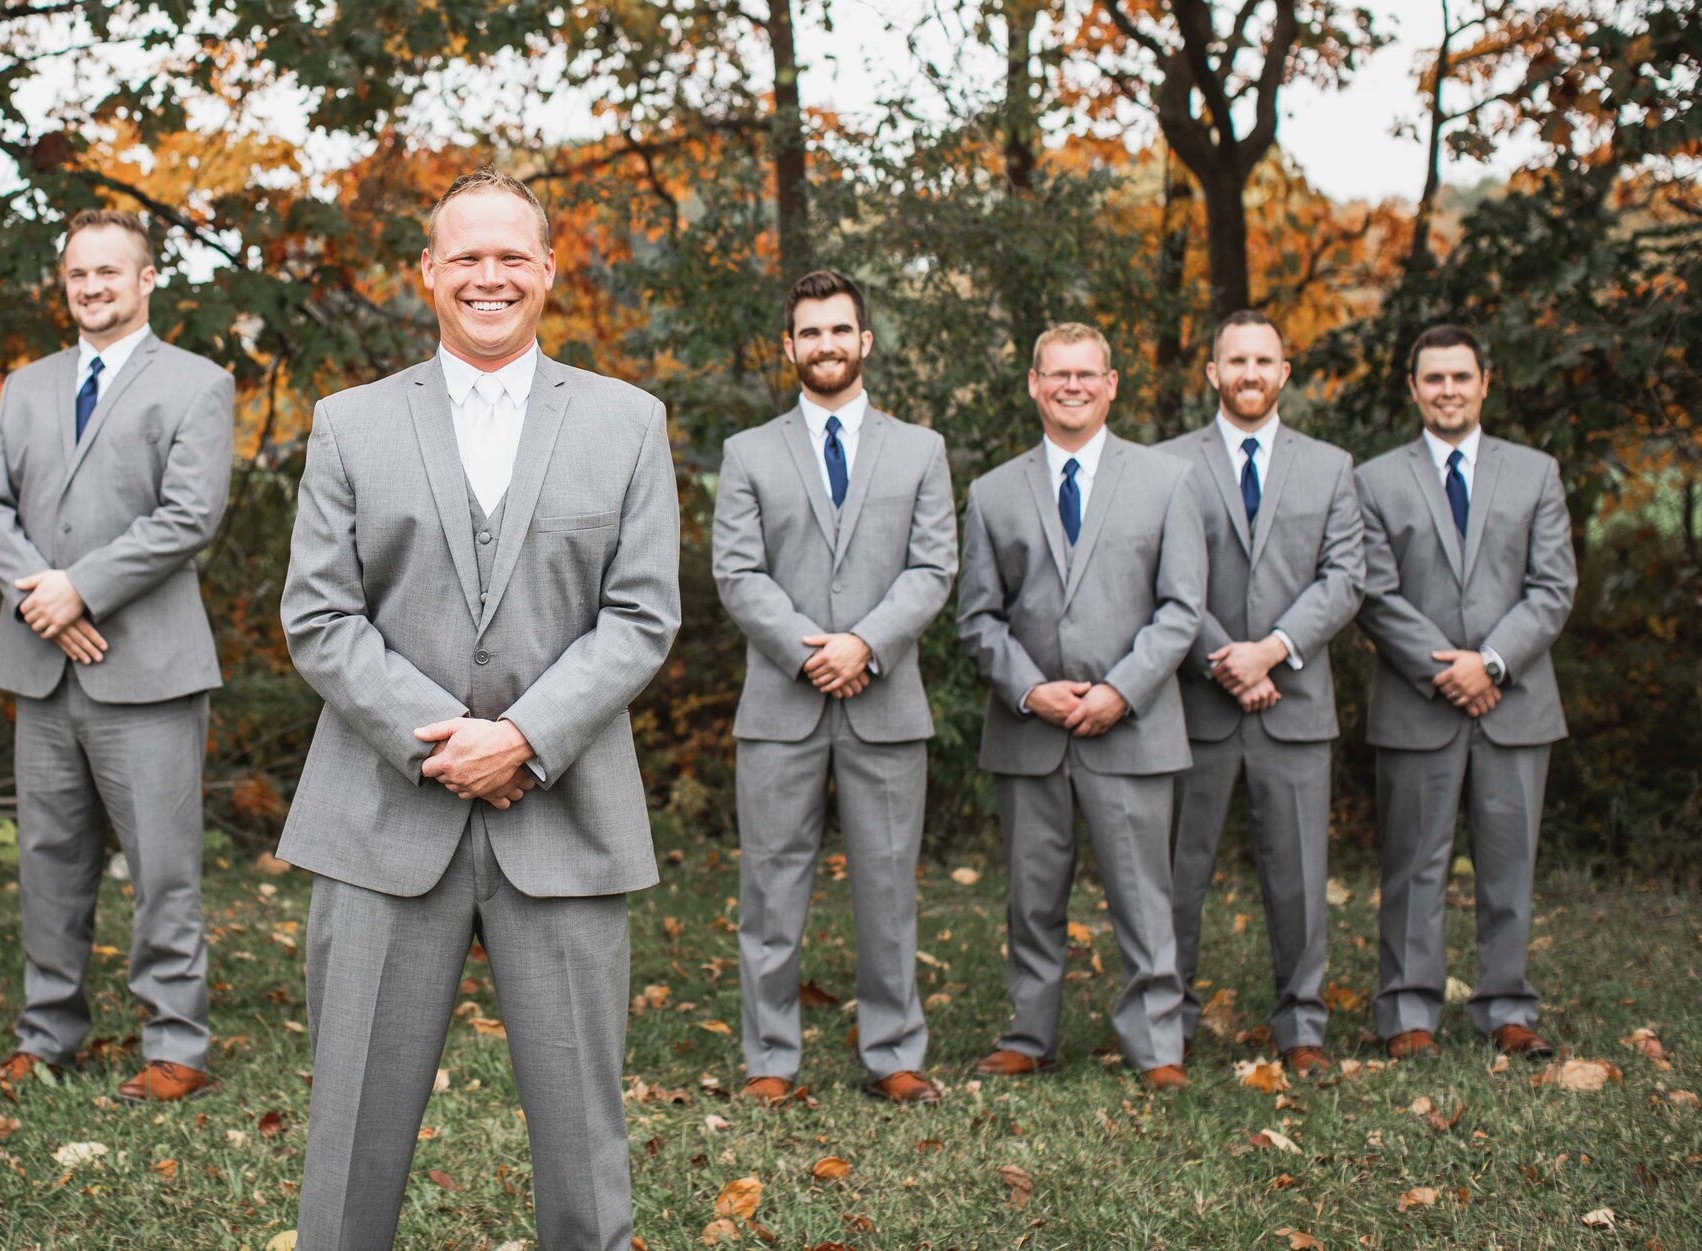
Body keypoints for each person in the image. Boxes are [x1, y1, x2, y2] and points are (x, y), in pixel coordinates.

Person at [279, 169, 679, 1251]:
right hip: (379, 818)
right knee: (352, 1131)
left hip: (565, 818)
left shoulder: (628, 422)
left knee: (584, 1141)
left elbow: (641, 616)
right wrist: (444, 743)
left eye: (512, 255)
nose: (489, 275)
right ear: (429, 273)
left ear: (549, 269)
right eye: (466, 256)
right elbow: (318, 615)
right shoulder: (350, 423)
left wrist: (522, 738)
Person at [0, 209, 236, 1102]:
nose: (91, 288)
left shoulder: (197, 384)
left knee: (163, 866)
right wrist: (43, 597)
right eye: (79, 275)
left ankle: (177, 1042)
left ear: (146, 278)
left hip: (148, 665)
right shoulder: (22, 385)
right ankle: (47, 1033)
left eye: (109, 273)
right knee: (49, 860)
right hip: (42, 665)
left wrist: (79, 587)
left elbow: (189, 517)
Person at [711, 270, 957, 1106]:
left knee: (888, 887)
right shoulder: (748, 453)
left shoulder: (921, 449)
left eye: (839, 330)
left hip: (885, 698)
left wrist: (865, 644)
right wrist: (810, 651)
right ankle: (771, 1060)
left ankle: (892, 1050)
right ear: (790, 347)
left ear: (865, 341)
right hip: (782, 702)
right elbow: (737, 573)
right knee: (771, 887)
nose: (825, 345)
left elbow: (933, 568)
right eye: (809, 332)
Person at [955, 322, 1206, 1091]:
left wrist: (1119, 691)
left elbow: (1181, 607)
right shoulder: (993, 491)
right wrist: (1031, 688)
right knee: (1033, 897)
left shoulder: (1167, 480)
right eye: (1057, 374)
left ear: (1112, 384)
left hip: (1131, 726)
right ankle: (1030, 1032)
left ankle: (1156, 1042)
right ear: (1033, 383)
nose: (1072, 386)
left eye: (1086, 374)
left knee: (1142, 894)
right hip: (1031, 729)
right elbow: (977, 617)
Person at [1356, 324, 1576, 1060]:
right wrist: (1447, 669)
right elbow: (1375, 594)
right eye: (1433, 378)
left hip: (1515, 702)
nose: (1447, 389)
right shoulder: (1376, 479)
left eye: (1460, 376)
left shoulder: (1536, 472)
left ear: (1487, 381)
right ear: (1414, 388)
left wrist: (1492, 663)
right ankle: (1408, 1013)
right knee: (1414, 863)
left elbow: (1553, 588)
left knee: (1509, 861)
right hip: (1418, 703)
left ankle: (1507, 1006)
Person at [1158, 309, 1365, 1075]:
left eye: (1263, 360)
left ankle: (1302, 1027)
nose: (1249, 373)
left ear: (1285, 371)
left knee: (1301, 877)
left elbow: (1345, 577)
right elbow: (1160, 577)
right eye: (1234, 360)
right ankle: (1166, 1023)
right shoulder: (1166, 465)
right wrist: (1223, 658)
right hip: (1196, 705)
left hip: (1295, 702)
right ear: (1212, 373)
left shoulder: (1331, 467)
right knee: (1177, 874)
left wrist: (1273, 651)